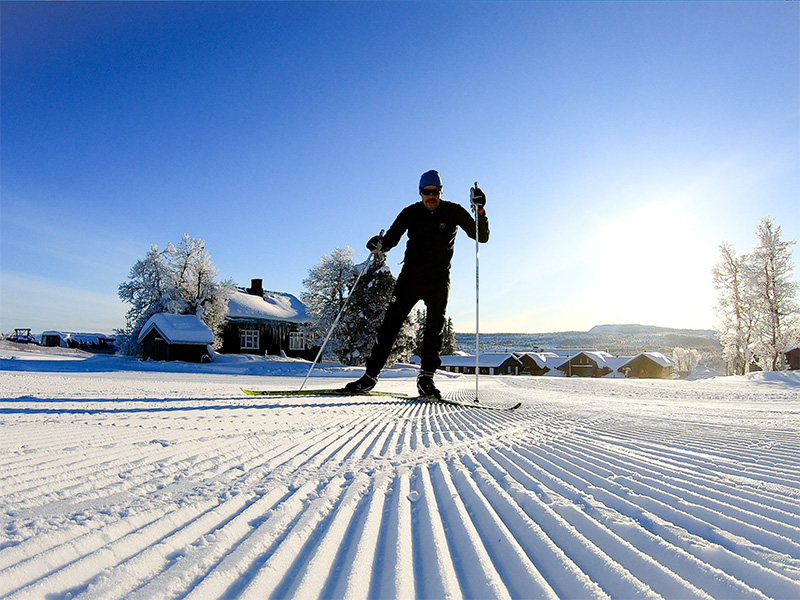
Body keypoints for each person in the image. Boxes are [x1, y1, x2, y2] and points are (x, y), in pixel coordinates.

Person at [344, 169, 490, 398]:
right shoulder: (410, 213)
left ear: (441, 192)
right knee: (389, 325)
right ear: (420, 192)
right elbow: (390, 240)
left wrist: (480, 209)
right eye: (426, 192)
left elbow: (481, 235)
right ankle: (370, 377)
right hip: (410, 277)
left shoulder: (453, 211)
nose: (431, 196)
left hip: (438, 280)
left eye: (435, 192)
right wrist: (378, 243)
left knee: (434, 329)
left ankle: (426, 379)